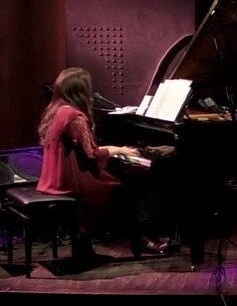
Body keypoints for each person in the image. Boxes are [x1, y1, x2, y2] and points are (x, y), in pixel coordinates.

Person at [36, 67, 172, 265]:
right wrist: (118, 150)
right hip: (72, 183)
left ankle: (88, 247)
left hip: (55, 179)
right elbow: (92, 154)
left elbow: (85, 152)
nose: (91, 93)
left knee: (127, 182)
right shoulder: (75, 117)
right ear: (80, 91)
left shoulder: (57, 111)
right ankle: (142, 238)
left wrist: (114, 150)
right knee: (130, 187)